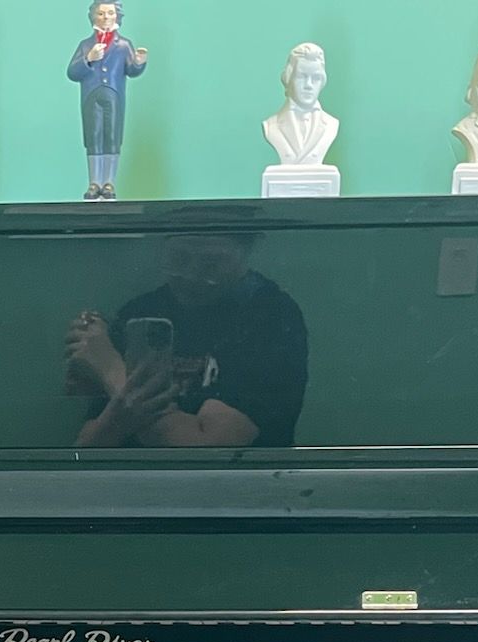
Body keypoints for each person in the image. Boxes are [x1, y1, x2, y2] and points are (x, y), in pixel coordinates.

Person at [65, 233, 308, 449]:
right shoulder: (141, 311)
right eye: (179, 259)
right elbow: (88, 448)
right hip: (130, 489)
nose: (192, 275)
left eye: (212, 263)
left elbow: (207, 451)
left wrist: (111, 371)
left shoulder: (269, 316)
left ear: (245, 254)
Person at [68, 3, 148, 201]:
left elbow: (131, 70)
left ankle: (109, 182)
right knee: (93, 136)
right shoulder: (85, 45)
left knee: (112, 136)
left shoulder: (123, 45)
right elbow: (72, 72)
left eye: (110, 13)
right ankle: (94, 182)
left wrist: (139, 62)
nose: (105, 17)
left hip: (114, 96)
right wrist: (89, 58)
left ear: (117, 16)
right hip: (91, 96)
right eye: (101, 13)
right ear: (94, 17)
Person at [264, 42, 338, 168]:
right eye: (301, 76)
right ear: (288, 78)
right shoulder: (271, 126)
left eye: (315, 78)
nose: (308, 85)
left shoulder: (331, 125)